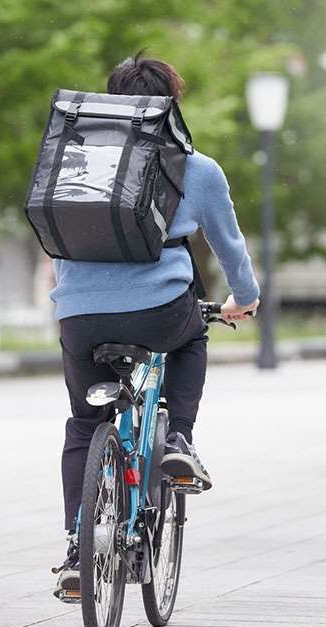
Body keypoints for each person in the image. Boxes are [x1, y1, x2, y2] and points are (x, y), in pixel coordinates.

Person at [52, 52, 260, 599]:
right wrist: (246, 298)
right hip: (161, 314)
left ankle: (79, 549)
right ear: (171, 104)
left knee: (82, 424)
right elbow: (229, 246)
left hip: (79, 319)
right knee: (193, 335)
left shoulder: (75, 163)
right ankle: (181, 441)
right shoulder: (198, 169)